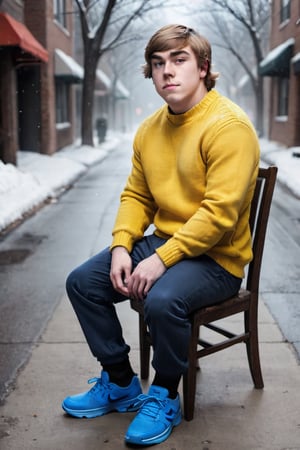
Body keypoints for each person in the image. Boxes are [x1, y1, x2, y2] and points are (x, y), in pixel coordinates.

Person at [62, 24, 260, 446]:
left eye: (179, 60)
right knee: (83, 283)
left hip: (216, 259)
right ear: (150, 73)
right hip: (166, 243)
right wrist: (121, 246)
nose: (167, 71)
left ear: (204, 68)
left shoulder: (229, 127)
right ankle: (120, 382)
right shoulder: (150, 129)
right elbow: (137, 194)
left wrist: (161, 259)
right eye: (157, 63)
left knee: (163, 298)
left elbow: (219, 214)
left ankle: (166, 392)